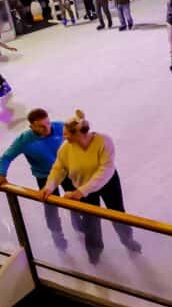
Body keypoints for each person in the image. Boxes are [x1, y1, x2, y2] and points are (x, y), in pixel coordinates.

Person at [43, 112, 142, 262]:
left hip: (107, 183)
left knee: (118, 213)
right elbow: (59, 169)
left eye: (67, 134)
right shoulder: (65, 148)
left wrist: (81, 191)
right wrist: (49, 186)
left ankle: (128, 240)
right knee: (90, 220)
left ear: (79, 133)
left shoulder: (104, 141)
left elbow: (105, 170)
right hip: (82, 186)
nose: (64, 137)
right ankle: (94, 251)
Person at [0, 108, 74, 250]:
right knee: (51, 209)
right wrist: (1, 174)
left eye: (48, 123)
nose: (47, 128)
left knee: (75, 201)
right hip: (44, 177)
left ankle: (78, 224)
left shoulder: (61, 128)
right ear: (32, 126)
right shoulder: (24, 140)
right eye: (41, 126)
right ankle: (57, 235)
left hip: (67, 172)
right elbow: (6, 158)